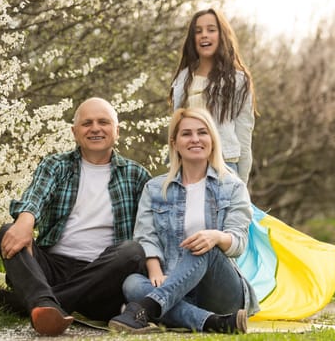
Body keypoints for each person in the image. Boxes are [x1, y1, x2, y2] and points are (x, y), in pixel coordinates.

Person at [0, 97, 151, 336]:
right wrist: (25, 219)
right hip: (52, 268)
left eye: (103, 122)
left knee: (133, 251)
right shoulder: (56, 165)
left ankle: (40, 303)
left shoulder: (136, 175)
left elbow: (153, 226)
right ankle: (45, 303)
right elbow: (36, 196)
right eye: (87, 123)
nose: (95, 128)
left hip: (104, 277)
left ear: (116, 130)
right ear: (74, 132)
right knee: (8, 231)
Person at [108, 108, 259, 334]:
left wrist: (216, 237)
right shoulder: (155, 189)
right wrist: (155, 270)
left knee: (205, 244)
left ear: (212, 140)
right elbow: (145, 236)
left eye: (202, 133)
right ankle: (215, 323)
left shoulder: (233, 186)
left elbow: (239, 242)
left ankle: (146, 308)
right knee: (132, 283)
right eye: (186, 134)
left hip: (220, 291)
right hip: (172, 284)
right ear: (175, 142)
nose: (195, 139)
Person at [170, 8, 256, 183]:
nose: (204, 35)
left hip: (223, 165)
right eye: (198, 31)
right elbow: (176, 129)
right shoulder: (182, 78)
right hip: (187, 167)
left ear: (221, 35)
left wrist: (242, 183)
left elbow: (244, 132)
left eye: (211, 30)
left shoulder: (237, 80)